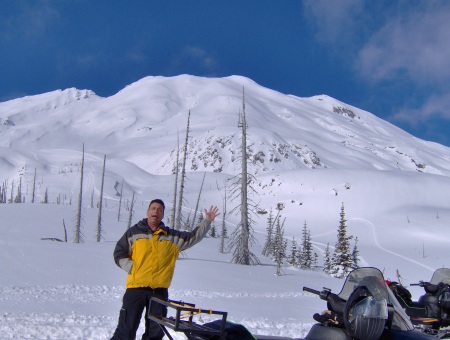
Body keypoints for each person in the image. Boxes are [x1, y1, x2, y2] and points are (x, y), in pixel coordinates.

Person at [111, 198, 220, 340]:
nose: (156, 211)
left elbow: (192, 237)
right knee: (125, 330)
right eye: (153, 208)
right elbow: (119, 252)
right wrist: (133, 267)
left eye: (160, 210)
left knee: (155, 334)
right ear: (148, 211)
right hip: (135, 289)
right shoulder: (134, 233)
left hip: (159, 292)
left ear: (162, 215)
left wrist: (207, 222)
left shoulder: (171, 237)